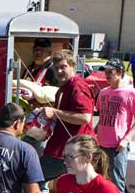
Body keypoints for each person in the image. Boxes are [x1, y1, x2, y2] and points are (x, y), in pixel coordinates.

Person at [37, 50, 96, 184]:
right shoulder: (64, 88)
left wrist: (55, 112)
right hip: (61, 148)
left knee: (32, 177)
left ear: (73, 67)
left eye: (63, 67)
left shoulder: (77, 86)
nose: (59, 72)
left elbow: (85, 117)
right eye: (56, 68)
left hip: (70, 150)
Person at [95, 59, 135, 193]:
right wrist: (93, 133)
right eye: (105, 72)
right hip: (101, 144)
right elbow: (102, 118)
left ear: (120, 72)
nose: (107, 75)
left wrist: (126, 139)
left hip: (117, 146)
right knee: (101, 181)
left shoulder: (130, 93)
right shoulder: (103, 93)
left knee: (117, 184)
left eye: (111, 72)